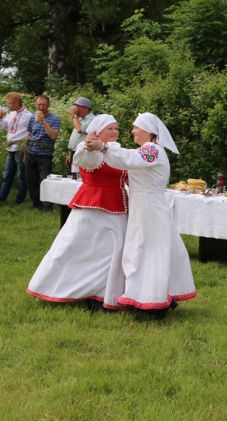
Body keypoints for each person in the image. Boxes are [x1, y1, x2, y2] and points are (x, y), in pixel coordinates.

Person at [84, 112, 196, 315]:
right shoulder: (148, 150)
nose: (132, 131)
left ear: (148, 131)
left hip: (149, 209)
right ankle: (150, 295)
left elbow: (129, 159)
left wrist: (103, 146)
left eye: (136, 127)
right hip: (144, 206)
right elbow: (128, 162)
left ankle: (153, 300)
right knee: (145, 249)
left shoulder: (152, 150)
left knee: (148, 250)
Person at [27, 115, 128, 310]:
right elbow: (84, 160)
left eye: (117, 128)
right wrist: (88, 145)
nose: (115, 132)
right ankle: (63, 288)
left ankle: (105, 293)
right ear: (98, 131)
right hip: (91, 208)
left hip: (117, 209)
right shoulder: (88, 150)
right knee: (80, 249)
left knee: (114, 252)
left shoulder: (119, 150)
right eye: (110, 128)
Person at [0, 92, 33, 204]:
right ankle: (1, 199)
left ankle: (19, 200)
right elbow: (0, 128)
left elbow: (31, 132)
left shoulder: (29, 116)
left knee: (21, 175)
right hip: (10, 149)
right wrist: (0, 118)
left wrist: (24, 143)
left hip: (20, 149)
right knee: (7, 174)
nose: (8, 106)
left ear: (16, 103)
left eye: (9, 103)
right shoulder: (10, 114)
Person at [26, 95, 61, 211]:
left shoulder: (55, 119)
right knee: (32, 181)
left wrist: (44, 121)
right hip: (31, 153)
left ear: (48, 105)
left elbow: (53, 136)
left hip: (45, 155)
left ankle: (47, 207)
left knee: (45, 181)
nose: (41, 107)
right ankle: (36, 205)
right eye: (39, 104)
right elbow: (30, 134)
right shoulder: (32, 118)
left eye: (43, 105)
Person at [66, 96, 94, 177]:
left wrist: (74, 116)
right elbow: (77, 137)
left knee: (78, 178)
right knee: (72, 178)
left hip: (83, 153)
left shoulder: (92, 119)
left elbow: (79, 129)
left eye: (77, 107)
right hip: (74, 152)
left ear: (85, 108)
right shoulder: (80, 118)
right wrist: (70, 153)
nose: (75, 109)